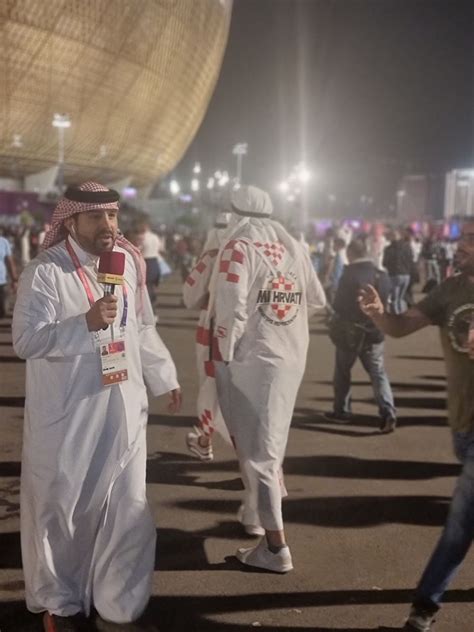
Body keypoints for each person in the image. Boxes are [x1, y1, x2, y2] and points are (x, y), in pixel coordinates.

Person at [12, 182, 181, 632]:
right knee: (62, 508)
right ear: (71, 221)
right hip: (69, 414)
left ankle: (116, 597)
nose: (108, 226)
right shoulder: (45, 272)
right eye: (96, 217)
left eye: (112, 216)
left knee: (127, 504)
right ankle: (58, 602)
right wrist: (82, 324)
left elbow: (140, 326)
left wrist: (164, 376)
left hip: (124, 405)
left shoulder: (125, 263)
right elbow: (26, 341)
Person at [358, 220, 474, 632]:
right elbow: (407, 323)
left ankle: (422, 612)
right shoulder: (452, 289)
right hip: (463, 424)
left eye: (468, 242)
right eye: (460, 240)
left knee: (462, 520)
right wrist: (380, 316)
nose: (458, 248)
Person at [210, 185, 326, 572]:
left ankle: (276, 547)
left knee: (258, 455)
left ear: (234, 211)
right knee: (269, 449)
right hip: (290, 359)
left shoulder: (238, 247)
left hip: (252, 363)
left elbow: (230, 307)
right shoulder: (294, 247)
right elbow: (317, 299)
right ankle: (264, 528)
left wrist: (224, 356)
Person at [326, 238, 396, 432]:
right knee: (378, 374)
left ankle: (342, 411)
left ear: (350, 254)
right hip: (375, 331)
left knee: (342, 371)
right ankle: (388, 412)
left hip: (351, 332)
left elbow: (339, 304)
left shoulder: (349, 274)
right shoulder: (381, 274)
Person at [182, 211, 232, 462]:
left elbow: (189, 296)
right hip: (254, 336)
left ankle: (204, 441)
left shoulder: (212, 255)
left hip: (213, 332)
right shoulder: (263, 252)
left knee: (211, 388)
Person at [383, 228, 414, 314]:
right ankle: (404, 317)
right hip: (406, 275)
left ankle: (397, 321)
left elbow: (385, 262)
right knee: (401, 299)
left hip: (395, 275)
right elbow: (411, 259)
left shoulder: (389, 249)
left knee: (394, 300)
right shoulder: (407, 246)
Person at [0, 228, 18, 318]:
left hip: (2, 281)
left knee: (2, 310)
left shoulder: (4, 242)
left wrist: (14, 279)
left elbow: (10, 261)